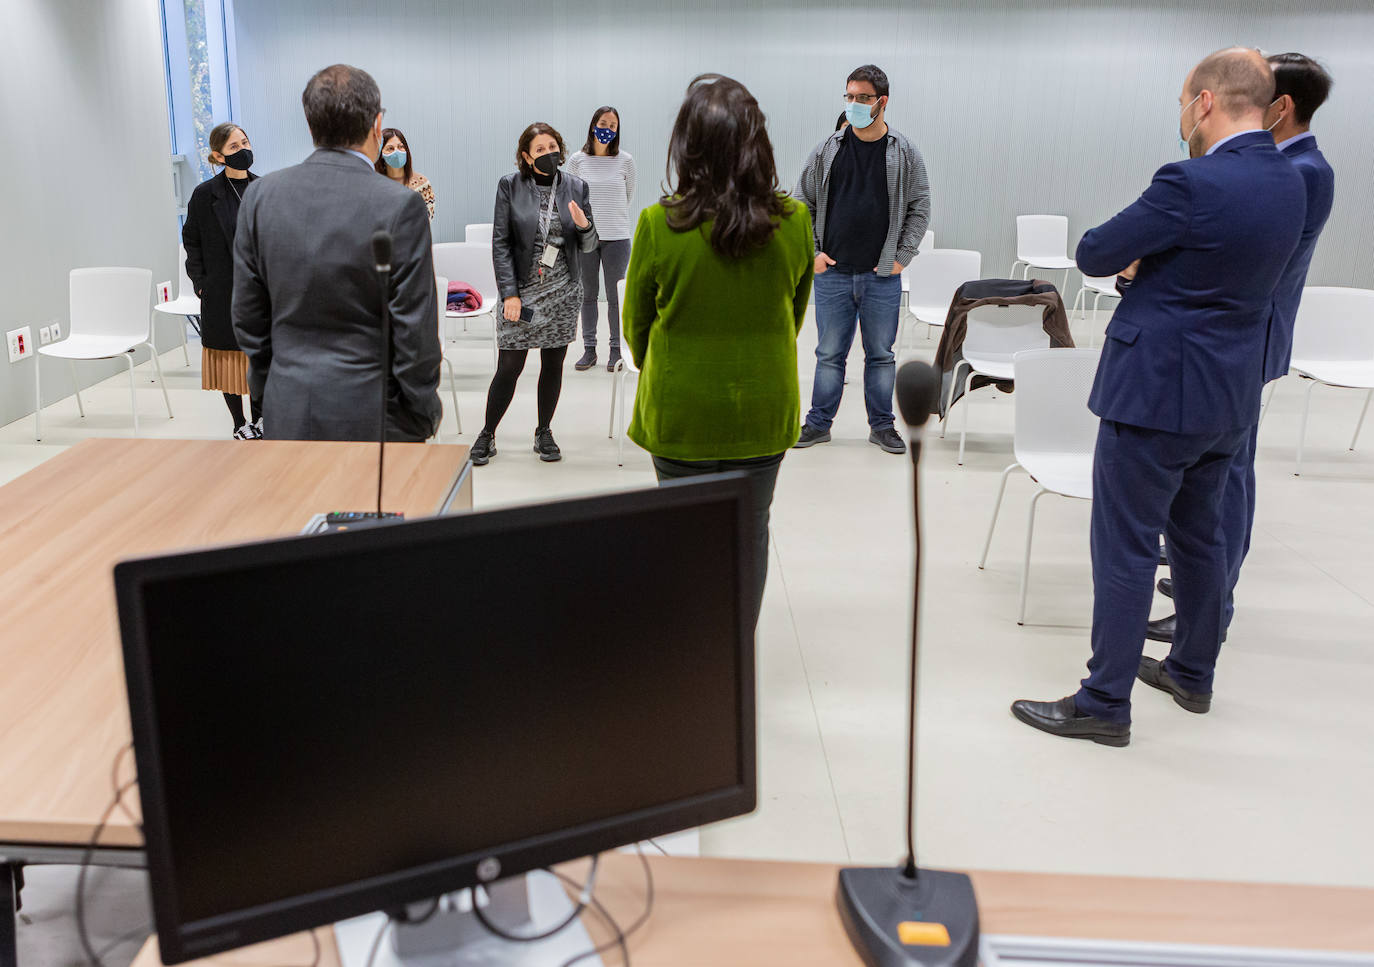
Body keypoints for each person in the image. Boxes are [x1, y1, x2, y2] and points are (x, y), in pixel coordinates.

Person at [1011, 48, 1306, 747]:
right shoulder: (1290, 182)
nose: (1182, 117)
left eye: (1182, 103)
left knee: (1127, 545)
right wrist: (1156, 265)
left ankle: (1103, 700)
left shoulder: (1189, 182)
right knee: (1202, 539)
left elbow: (1092, 251)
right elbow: (1221, 270)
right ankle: (1193, 672)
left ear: (1205, 101)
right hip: (1231, 394)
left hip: (1156, 395)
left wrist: (1140, 262)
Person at [1148, 52, 1336, 644]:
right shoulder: (1284, 165)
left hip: (1244, 339)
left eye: (1255, 98)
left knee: (1229, 476)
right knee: (1219, 471)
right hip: (1237, 336)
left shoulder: (1300, 171)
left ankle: (1213, 601)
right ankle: (1201, 582)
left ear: (1279, 107)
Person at [623, 74, 813, 633]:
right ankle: (735, 649)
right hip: (762, 409)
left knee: (684, 539)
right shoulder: (796, 222)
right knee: (751, 534)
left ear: (688, 146)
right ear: (759, 143)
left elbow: (637, 329)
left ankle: (690, 659)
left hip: (681, 412)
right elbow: (793, 316)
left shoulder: (659, 224)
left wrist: (670, 359)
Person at [232, 64, 441, 442]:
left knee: (301, 502)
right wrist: (422, 412)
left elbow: (248, 316)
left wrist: (271, 391)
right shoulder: (400, 205)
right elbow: (415, 329)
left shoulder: (260, 197)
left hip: (287, 406)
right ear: (377, 125)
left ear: (311, 127)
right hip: (377, 413)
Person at [793, 64, 931, 456]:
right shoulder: (827, 150)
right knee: (829, 354)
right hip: (833, 274)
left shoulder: (904, 152)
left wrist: (903, 257)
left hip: (881, 275)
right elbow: (800, 203)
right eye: (849, 96)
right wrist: (813, 253)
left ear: (881, 102)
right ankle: (818, 424)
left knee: (881, 356)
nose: (853, 104)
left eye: (862, 98)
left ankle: (882, 427)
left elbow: (920, 207)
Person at [470, 123, 597, 465]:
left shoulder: (576, 186)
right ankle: (488, 432)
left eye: (552, 146)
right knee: (509, 365)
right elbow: (500, 244)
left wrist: (585, 226)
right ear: (526, 157)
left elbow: (588, 245)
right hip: (521, 293)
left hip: (563, 291)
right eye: (539, 150)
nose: (547, 154)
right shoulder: (510, 186)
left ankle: (544, 431)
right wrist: (509, 294)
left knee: (553, 364)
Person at [183, 122, 262, 439]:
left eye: (245, 142)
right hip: (222, 290)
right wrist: (200, 281)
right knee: (230, 358)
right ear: (217, 155)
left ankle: (261, 419)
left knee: (260, 356)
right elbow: (192, 241)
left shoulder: (263, 188)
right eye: (234, 147)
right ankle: (239, 422)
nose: (243, 150)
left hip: (261, 291)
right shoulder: (205, 195)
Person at [566, 107, 636, 372]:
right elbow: (570, 198)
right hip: (586, 236)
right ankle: (589, 350)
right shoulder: (577, 160)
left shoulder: (625, 161)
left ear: (617, 131)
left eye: (613, 125)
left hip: (617, 237)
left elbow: (627, 197)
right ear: (593, 124)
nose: (607, 128)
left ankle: (616, 350)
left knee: (615, 296)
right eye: (603, 122)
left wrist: (608, 217)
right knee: (588, 294)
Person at [375, 127, 436, 220]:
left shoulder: (422, 184)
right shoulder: (376, 185)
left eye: (401, 147)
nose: (397, 151)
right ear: (381, 154)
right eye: (390, 148)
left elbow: (426, 220)